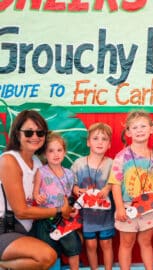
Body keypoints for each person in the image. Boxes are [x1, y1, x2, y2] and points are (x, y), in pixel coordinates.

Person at [0, 110, 72, 270]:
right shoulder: (9, 160)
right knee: (47, 256)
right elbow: (21, 211)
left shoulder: (37, 163)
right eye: (29, 132)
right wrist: (59, 210)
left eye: (40, 132)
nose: (35, 136)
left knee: (71, 239)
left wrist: (68, 208)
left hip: (31, 227)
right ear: (18, 134)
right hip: (5, 228)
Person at [109, 110, 153, 270]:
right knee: (126, 243)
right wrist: (120, 207)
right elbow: (115, 184)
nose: (139, 130)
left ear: (151, 129)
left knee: (146, 242)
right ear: (128, 132)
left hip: (149, 208)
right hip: (127, 208)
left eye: (143, 126)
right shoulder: (122, 157)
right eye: (135, 127)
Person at [32, 132, 82, 270]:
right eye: (51, 151)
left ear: (64, 152)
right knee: (49, 251)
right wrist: (37, 196)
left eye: (59, 150)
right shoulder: (41, 172)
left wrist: (74, 208)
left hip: (65, 218)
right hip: (46, 218)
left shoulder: (69, 173)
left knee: (73, 249)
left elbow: (71, 195)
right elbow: (35, 192)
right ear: (45, 154)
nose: (56, 154)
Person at [71, 122, 114, 270]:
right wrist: (76, 189)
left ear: (109, 144)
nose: (100, 142)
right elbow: (71, 183)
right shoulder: (78, 163)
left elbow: (115, 182)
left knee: (106, 243)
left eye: (104, 139)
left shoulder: (111, 164)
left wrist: (108, 187)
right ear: (88, 142)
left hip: (105, 214)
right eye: (95, 138)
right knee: (90, 244)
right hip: (87, 215)